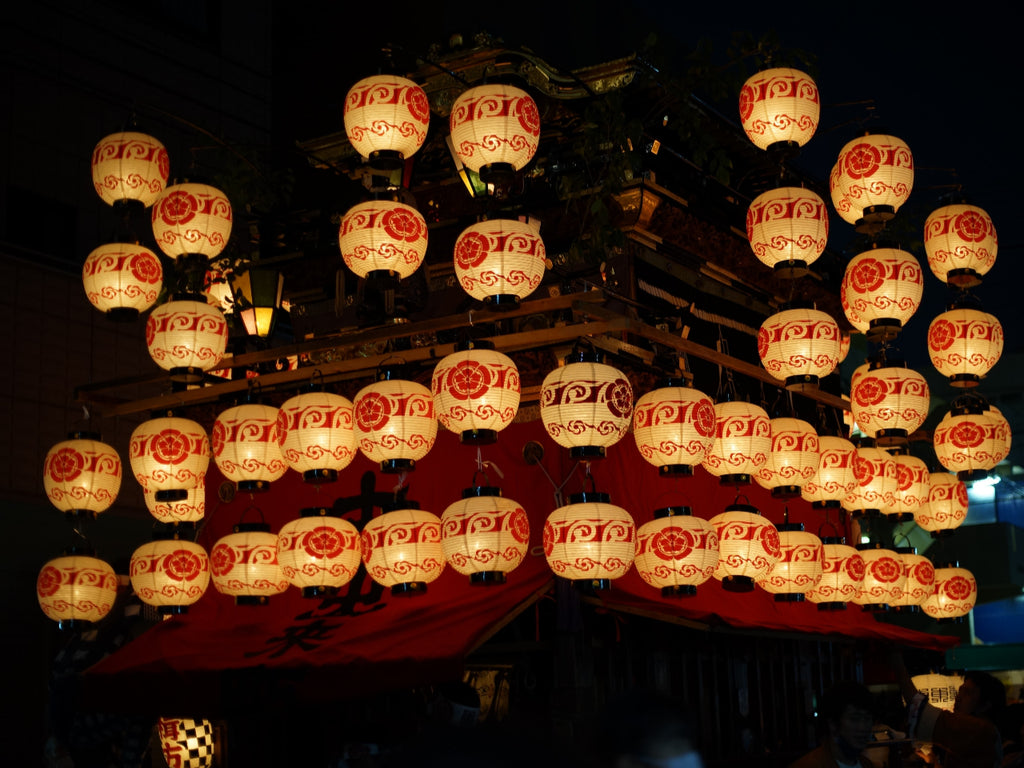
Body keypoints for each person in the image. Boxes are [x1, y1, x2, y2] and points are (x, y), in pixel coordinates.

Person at [892, 653, 1003, 768]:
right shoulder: (986, 732)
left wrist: (897, 662)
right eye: (959, 691)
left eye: (967, 693)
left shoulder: (979, 730)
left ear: (985, 705)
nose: (958, 697)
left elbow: (921, 711)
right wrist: (933, 762)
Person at [788, 680, 877, 768]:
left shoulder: (867, 764)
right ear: (833, 724)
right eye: (854, 719)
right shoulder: (809, 765)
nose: (863, 727)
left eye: (867, 718)